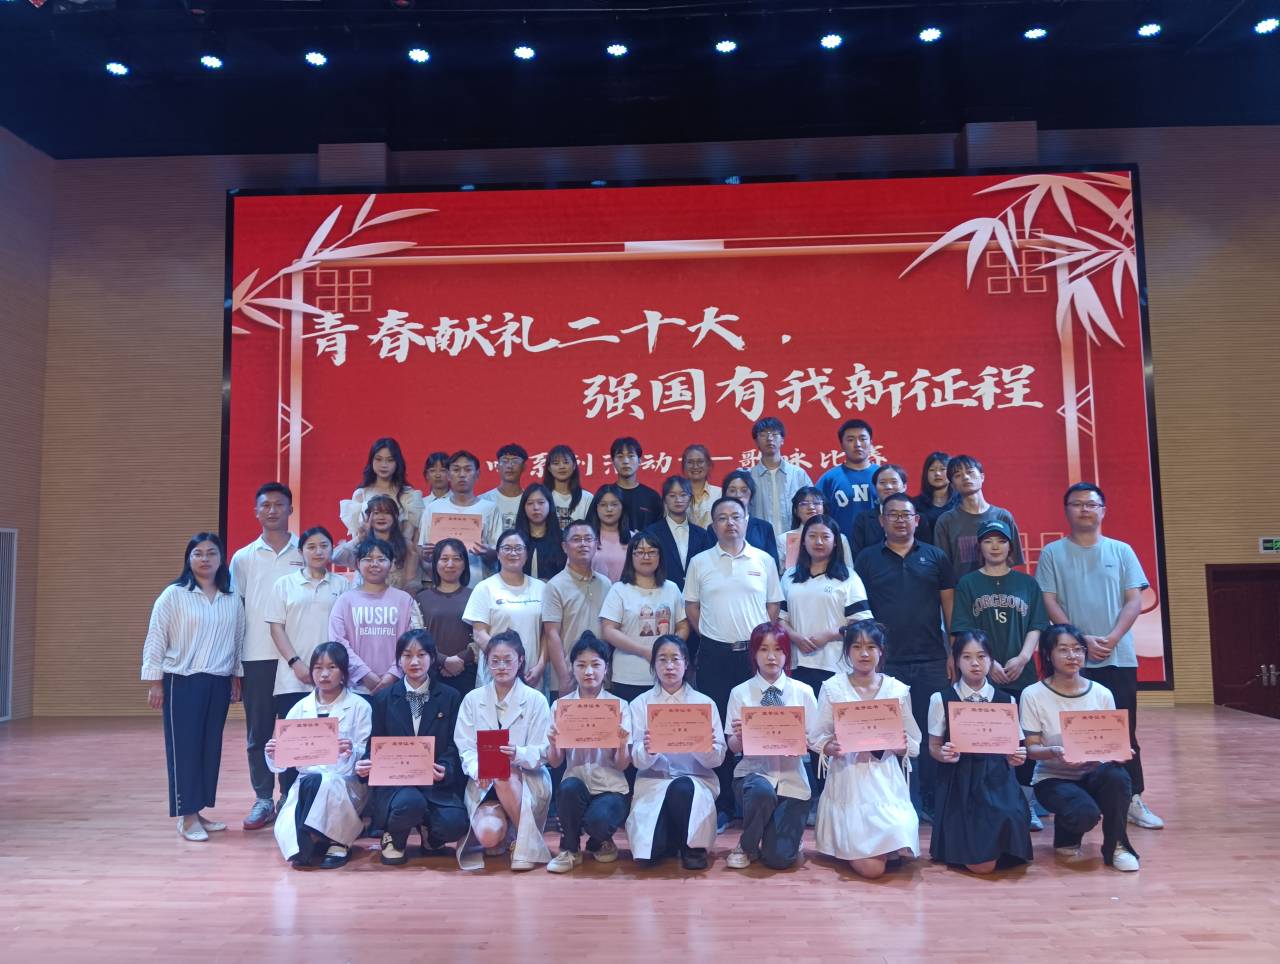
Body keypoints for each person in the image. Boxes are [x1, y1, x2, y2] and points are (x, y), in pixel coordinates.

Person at [1036, 482, 1162, 831]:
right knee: (1072, 730)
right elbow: (1048, 600)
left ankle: (1132, 798)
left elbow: (1134, 601)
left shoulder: (1121, 551)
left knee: (1122, 731)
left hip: (1117, 655)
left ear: (1103, 511)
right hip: (1071, 659)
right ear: (1067, 511)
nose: (1084, 509)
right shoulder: (1052, 553)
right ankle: (1080, 797)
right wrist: (1079, 642)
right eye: (1077, 504)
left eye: (1091, 504)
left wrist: (1112, 638)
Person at [853, 492, 955, 822]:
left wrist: (952, 652)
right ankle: (896, 799)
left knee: (930, 732)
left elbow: (949, 609)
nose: (899, 520)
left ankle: (931, 801)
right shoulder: (867, 559)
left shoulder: (935, 557)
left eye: (905, 514)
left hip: (931, 659)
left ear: (917, 520)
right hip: (886, 664)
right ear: (881, 521)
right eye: (892, 514)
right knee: (888, 733)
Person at [685, 495, 784, 825]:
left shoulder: (764, 560)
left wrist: (759, 643)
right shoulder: (700, 562)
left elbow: (773, 607)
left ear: (746, 521)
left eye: (736, 516)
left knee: (760, 722)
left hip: (754, 657)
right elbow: (692, 607)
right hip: (714, 654)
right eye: (722, 517)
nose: (730, 523)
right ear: (713, 525)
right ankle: (725, 804)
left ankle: (763, 797)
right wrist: (711, 634)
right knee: (719, 728)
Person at [141, 532, 245, 842]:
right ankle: (187, 817)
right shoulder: (173, 595)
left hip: (218, 682)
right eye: (198, 553)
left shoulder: (230, 597)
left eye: (211, 553)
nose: (205, 559)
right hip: (181, 682)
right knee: (184, 750)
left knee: (209, 749)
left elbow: (237, 640)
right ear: (189, 559)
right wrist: (156, 683)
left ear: (221, 559)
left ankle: (198, 811)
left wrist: (235, 677)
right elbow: (156, 638)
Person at [951, 519, 1049, 828]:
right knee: (987, 739)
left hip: (1021, 672)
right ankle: (988, 800)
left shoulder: (1027, 583)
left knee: (1022, 739)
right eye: (988, 541)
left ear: (1010, 546)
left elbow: (1037, 625)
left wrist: (1023, 657)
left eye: (1001, 541)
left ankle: (1026, 804)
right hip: (982, 675)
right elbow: (963, 629)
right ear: (979, 547)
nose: (995, 546)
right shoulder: (968, 584)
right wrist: (988, 663)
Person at [1020, 624, 1140, 871]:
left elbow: (1110, 741)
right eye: (1063, 650)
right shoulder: (1033, 694)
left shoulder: (1102, 693)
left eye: (1078, 649)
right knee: (1083, 813)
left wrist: (1119, 752)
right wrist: (1054, 752)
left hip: (1094, 771)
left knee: (1118, 777)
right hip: (1053, 777)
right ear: (1048, 655)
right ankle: (1068, 834)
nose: (1072, 656)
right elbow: (1031, 749)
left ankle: (1117, 847)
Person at [810, 620, 921, 878]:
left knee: (900, 843)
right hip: (849, 778)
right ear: (847, 651)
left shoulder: (897, 690)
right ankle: (863, 849)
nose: (864, 653)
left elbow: (914, 743)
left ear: (881, 651)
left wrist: (902, 746)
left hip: (886, 780)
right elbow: (815, 736)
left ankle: (882, 846)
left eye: (871, 647)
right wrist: (830, 747)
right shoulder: (833, 688)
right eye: (857, 647)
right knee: (873, 869)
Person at [356, 629, 469, 865]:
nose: (414, 661)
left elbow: (454, 744)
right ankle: (394, 838)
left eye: (421, 655)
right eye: (407, 655)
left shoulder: (450, 697)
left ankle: (430, 833)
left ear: (432, 658)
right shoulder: (383, 699)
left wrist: (446, 768)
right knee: (409, 803)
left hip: (434, 783)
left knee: (455, 823)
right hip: (396, 785)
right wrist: (366, 765)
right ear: (399, 660)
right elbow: (375, 744)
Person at [229, 481, 303, 832]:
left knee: (292, 731)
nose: (272, 510)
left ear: (291, 510)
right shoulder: (243, 558)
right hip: (255, 656)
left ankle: (289, 795)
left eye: (279, 504)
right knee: (258, 733)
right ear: (256, 511)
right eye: (266, 505)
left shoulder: (305, 551)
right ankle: (262, 797)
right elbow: (235, 611)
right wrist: (234, 665)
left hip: (296, 658)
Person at [928, 631, 1034, 873]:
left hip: (997, 778)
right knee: (982, 864)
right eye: (966, 657)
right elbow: (933, 747)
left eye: (981, 656)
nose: (975, 663)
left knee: (1009, 818)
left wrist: (1017, 757)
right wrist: (944, 754)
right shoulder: (941, 699)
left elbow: (1016, 748)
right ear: (956, 661)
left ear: (991, 660)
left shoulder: (1006, 700)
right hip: (959, 780)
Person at [265, 642, 372, 869]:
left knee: (324, 784)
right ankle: (319, 837)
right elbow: (282, 765)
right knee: (294, 843)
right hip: (305, 784)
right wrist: (274, 753)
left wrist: (352, 752)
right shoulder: (299, 708)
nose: (324, 674)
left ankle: (328, 841)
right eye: (318, 668)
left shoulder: (360, 707)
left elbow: (366, 757)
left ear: (343, 672)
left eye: (331, 667)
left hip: (344, 784)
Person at [454, 631, 553, 871]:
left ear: (520, 661)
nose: (501, 667)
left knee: (504, 774)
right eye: (495, 661)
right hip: (484, 782)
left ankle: (524, 847)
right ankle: (514, 836)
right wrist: (478, 769)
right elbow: (465, 747)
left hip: (526, 779)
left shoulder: (536, 700)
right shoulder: (472, 699)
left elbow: (544, 751)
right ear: (486, 662)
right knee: (488, 835)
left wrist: (518, 753)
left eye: (508, 660)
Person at [627, 635, 726, 869]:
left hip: (695, 781)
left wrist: (705, 747)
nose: (669, 666)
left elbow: (718, 758)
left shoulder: (704, 703)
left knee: (683, 787)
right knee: (648, 856)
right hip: (654, 782)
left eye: (675, 659)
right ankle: (671, 838)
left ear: (686, 663)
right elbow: (637, 761)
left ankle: (692, 847)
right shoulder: (640, 704)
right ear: (653, 665)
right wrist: (648, 750)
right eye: (662, 659)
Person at [723, 623, 817, 870]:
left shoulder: (803, 692)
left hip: (793, 780)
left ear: (787, 653)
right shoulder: (740, 693)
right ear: (754, 654)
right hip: (752, 775)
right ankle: (746, 845)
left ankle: (781, 836)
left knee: (779, 859)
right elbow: (732, 747)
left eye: (778, 649)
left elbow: (816, 741)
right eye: (764, 649)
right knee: (762, 791)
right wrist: (741, 737)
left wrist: (802, 740)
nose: (771, 656)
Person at [265, 525, 348, 799]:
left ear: (332, 550)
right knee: (294, 743)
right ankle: (287, 800)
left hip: (332, 679)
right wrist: (296, 663)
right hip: (293, 677)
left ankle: (327, 801)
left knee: (329, 742)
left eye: (324, 546)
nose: (318, 551)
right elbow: (276, 628)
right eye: (311, 546)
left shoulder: (342, 585)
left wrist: (330, 669)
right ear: (301, 551)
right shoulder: (284, 584)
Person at [546, 633, 632, 872]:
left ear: (606, 668)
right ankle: (570, 849)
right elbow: (555, 763)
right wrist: (553, 743)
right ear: (572, 668)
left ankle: (600, 839)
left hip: (611, 786)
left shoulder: (619, 707)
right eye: (581, 665)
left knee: (599, 821)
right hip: (575, 785)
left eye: (595, 665)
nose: (589, 672)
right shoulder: (561, 707)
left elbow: (622, 765)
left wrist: (622, 744)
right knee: (569, 788)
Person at [781, 514, 873, 699]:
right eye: (812, 536)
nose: (819, 542)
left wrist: (829, 634)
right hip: (796, 664)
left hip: (835, 664)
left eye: (825, 536)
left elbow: (862, 623)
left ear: (836, 542)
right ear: (803, 541)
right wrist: (795, 636)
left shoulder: (849, 578)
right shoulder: (789, 576)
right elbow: (780, 618)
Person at [327, 537, 424, 696]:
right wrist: (364, 674)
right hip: (356, 689)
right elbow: (338, 642)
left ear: (392, 565)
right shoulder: (345, 601)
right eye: (368, 559)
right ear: (357, 564)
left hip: (398, 687)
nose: (374, 564)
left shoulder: (405, 600)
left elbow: (416, 641)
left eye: (381, 559)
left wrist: (393, 674)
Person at [601, 533, 689, 702]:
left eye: (652, 552)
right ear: (631, 556)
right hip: (628, 675)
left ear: (660, 556)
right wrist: (644, 651)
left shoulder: (671, 588)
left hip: (667, 675)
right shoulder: (619, 589)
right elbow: (608, 630)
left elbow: (683, 626)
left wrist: (666, 650)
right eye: (640, 552)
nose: (646, 557)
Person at [463, 529, 547, 692]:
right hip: (496, 673)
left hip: (531, 675)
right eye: (507, 548)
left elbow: (546, 634)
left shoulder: (541, 588)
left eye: (518, 548)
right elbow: (479, 634)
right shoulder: (485, 588)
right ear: (498, 554)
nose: (513, 553)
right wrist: (506, 663)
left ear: (527, 554)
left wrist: (541, 666)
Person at [541, 520, 611, 696]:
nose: (583, 544)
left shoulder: (606, 584)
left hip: (600, 676)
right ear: (565, 547)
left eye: (588, 539)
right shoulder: (555, 586)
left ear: (596, 544)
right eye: (576, 539)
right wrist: (564, 677)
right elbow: (552, 635)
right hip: (568, 677)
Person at [418, 450, 501, 587]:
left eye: (468, 470)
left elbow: (499, 554)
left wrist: (487, 552)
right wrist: (426, 555)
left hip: (479, 587)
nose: (462, 475)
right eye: (456, 470)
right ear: (448, 475)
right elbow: (424, 553)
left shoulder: (490, 509)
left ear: (477, 474)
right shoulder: (433, 508)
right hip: (443, 587)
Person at [932, 455, 1025, 578]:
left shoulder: (1003, 516)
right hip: (962, 589)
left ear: (982, 477)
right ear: (953, 486)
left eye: (970, 472)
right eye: (958, 475)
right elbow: (943, 568)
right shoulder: (946, 521)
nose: (965, 477)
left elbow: (1013, 561)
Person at [414, 538, 478, 696]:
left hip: (468, 671)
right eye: (444, 559)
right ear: (435, 563)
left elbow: (482, 635)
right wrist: (443, 660)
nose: (450, 564)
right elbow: (416, 637)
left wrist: (460, 659)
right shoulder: (421, 597)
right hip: (431, 671)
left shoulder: (476, 595)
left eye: (456, 559)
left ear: (465, 564)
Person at [340, 437, 426, 542]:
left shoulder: (408, 494)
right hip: (368, 550)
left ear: (397, 463)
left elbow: (412, 537)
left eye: (390, 460)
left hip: (398, 550)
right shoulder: (360, 494)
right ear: (371, 461)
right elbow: (357, 535)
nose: (384, 465)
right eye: (378, 459)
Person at [334, 494, 423, 594]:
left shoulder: (405, 545)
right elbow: (336, 558)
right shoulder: (362, 544)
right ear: (368, 517)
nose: (381, 517)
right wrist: (359, 538)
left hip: (396, 600)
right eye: (376, 513)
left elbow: (412, 583)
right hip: (364, 600)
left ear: (395, 516)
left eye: (387, 513)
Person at [747, 416, 813, 546]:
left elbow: (813, 510)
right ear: (756, 441)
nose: (769, 438)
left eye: (774, 434)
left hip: (795, 544)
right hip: (759, 546)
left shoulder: (798, 475)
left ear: (782, 439)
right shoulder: (748, 477)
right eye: (763, 434)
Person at [641, 475, 714, 590]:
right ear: (664, 500)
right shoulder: (651, 533)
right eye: (672, 495)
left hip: (697, 594)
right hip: (661, 593)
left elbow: (709, 568)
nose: (678, 500)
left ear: (690, 499)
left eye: (683, 495)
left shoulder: (702, 535)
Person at [815, 419, 878, 538]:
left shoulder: (883, 477)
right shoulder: (829, 479)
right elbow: (817, 518)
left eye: (862, 439)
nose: (857, 444)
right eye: (850, 440)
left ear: (871, 443)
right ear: (842, 445)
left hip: (879, 546)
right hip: (841, 545)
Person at [718, 469, 780, 567]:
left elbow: (773, 565)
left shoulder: (764, 528)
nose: (738, 495)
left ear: (751, 494)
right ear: (725, 494)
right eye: (732, 490)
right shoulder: (714, 528)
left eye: (744, 490)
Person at [780, 486, 851, 571]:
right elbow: (779, 574)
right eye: (804, 503)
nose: (811, 507)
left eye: (816, 503)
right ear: (796, 510)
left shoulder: (840, 538)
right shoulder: (783, 539)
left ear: (824, 508)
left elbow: (848, 570)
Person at [851, 463, 910, 556]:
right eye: (882, 483)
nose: (888, 487)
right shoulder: (863, 519)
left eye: (894, 482)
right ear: (875, 487)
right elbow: (858, 556)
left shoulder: (917, 517)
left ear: (904, 486)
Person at [609, 436, 663, 531]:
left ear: (639, 461)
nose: (625, 461)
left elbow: (660, 531)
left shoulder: (652, 497)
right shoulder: (606, 495)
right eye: (620, 456)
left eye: (631, 456)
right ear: (613, 462)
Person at [515, 483, 566, 580]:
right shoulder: (515, 539)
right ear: (523, 507)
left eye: (541, 502)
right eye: (530, 503)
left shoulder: (563, 539)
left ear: (550, 505)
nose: (536, 507)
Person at [586, 484, 632, 582]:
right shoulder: (585, 538)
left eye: (614, 504)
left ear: (622, 507)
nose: (609, 509)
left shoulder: (634, 539)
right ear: (596, 508)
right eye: (603, 505)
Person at [543, 443, 593, 530]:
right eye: (556, 463)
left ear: (574, 466)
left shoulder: (587, 498)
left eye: (566, 462)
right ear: (549, 468)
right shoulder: (542, 497)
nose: (561, 467)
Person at [481, 442, 529, 532]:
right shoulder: (484, 500)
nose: (509, 466)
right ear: (498, 466)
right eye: (505, 461)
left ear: (524, 467)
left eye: (515, 461)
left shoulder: (530, 501)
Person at [913, 450, 955, 547]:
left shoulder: (961, 503)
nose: (937, 473)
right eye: (932, 470)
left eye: (942, 469)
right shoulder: (915, 504)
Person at [681, 443, 721, 529]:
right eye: (690, 462)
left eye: (700, 462)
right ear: (684, 465)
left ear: (708, 464)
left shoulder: (720, 494)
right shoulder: (676, 496)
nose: (695, 466)